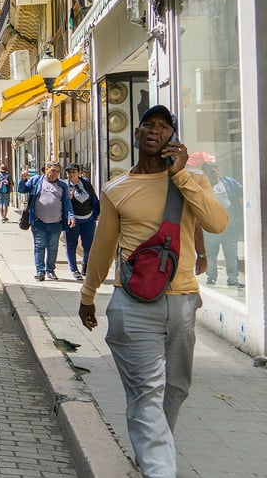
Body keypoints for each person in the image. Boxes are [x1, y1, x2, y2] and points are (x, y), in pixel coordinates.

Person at [79, 105, 227, 478]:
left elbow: (217, 222)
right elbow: (102, 247)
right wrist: (87, 295)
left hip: (182, 302)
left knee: (175, 388)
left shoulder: (190, 180)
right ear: (137, 134)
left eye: (163, 127)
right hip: (132, 304)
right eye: (148, 124)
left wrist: (182, 177)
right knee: (146, 392)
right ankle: (160, 469)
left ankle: (153, 454)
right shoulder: (117, 189)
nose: (154, 131)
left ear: (172, 138)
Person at [17, 161, 76, 281]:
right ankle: (40, 271)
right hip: (39, 221)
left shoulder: (62, 185)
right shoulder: (37, 181)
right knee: (39, 246)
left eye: (58, 172)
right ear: (46, 170)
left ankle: (50, 271)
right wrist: (22, 179)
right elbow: (22, 189)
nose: (55, 174)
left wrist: (71, 216)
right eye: (53, 171)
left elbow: (66, 202)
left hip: (56, 223)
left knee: (53, 247)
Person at [197, 158, 243, 288]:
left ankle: (233, 279)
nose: (214, 172)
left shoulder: (228, 182)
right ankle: (211, 277)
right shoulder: (202, 187)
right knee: (211, 255)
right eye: (210, 171)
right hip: (210, 228)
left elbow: (242, 190)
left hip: (230, 226)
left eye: (215, 169)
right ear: (205, 173)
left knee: (231, 253)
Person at [64, 163, 100, 281]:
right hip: (73, 220)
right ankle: (74, 269)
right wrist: (66, 199)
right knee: (71, 245)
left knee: (88, 245)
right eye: (69, 172)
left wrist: (98, 212)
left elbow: (93, 197)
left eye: (74, 171)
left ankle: (85, 265)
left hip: (88, 218)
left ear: (78, 172)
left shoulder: (85, 182)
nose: (71, 174)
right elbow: (60, 203)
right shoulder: (64, 185)